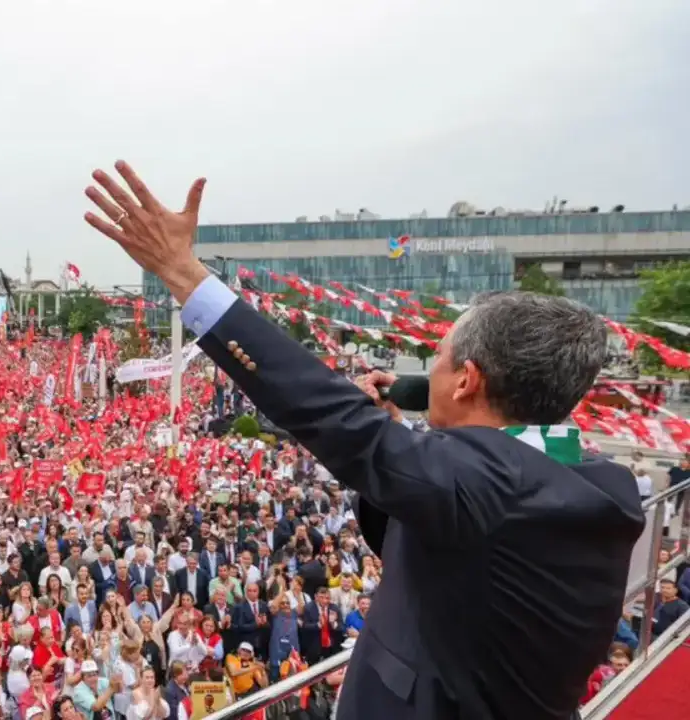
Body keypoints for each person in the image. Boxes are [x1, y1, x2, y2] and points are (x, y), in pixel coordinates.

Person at [84, 159, 647, 719]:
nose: (429, 371)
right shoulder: (602, 485)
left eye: (438, 358)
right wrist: (404, 438)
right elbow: (455, 551)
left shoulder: (481, 484)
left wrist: (183, 273)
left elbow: (323, 409)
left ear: (468, 379)